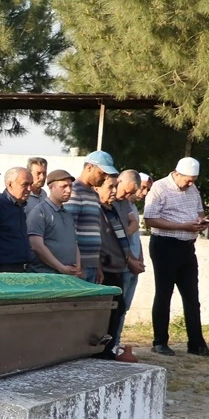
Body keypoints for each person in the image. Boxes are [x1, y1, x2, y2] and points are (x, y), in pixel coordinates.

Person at [143, 157, 209, 357]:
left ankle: (197, 343)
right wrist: (182, 226)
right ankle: (160, 341)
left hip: (187, 246)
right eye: (188, 180)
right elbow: (150, 219)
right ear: (177, 173)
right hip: (165, 245)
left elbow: (199, 211)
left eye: (194, 180)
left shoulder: (193, 190)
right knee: (164, 294)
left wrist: (201, 222)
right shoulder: (159, 188)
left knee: (192, 297)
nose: (190, 184)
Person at [95, 174, 141, 361]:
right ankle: (100, 351)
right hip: (104, 268)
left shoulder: (113, 209)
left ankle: (109, 349)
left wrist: (128, 258)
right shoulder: (97, 211)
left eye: (116, 187)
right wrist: (98, 265)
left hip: (118, 267)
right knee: (106, 311)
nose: (114, 191)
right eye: (110, 187)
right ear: (98, 188)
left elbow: (123, 237)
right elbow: (97, 242)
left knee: (118, 308)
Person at [64, 150, 119, 283]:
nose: (105, 177)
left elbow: (95, 232)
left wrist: (98, 265)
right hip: (79, 265)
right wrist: (78, 265)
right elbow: (70, 232)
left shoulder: (94, 194)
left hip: (92, 264)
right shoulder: (74, 192)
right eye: (102, 173)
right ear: (89, 168)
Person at [111, 170, 144, 356]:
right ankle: (111, 343)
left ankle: (117, 342)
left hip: (131, 263)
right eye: (125, 191)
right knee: (117, 307)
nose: (126, 195)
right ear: (119, 181)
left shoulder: (125, 203)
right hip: (119, 264)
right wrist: (129, 258)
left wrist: (139, 258)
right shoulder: (110, 201)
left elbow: (133, 227)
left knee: (125, 307)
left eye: (131, 193)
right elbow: (115, 236)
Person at [26, 169, 82, 277]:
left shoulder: (68, 214)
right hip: (47, 277)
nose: (69, 190)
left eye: (70, 186)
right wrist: (61, 268)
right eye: (64, 186)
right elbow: (36, 246)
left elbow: (74, 243)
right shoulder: (39, 212)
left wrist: (78, 265)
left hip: (68, 276)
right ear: (51, 187)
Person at [0, 167, 34, 272]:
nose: (29, 189)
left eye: (31, 184)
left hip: (22, 269)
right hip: (1, 270)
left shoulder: (20, 206)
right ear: (10, 184)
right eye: (25, 184)